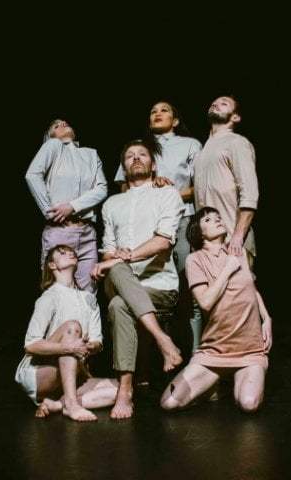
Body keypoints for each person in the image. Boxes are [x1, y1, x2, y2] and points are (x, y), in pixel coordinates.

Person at [91, 139, 185, 419]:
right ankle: (163, 340)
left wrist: (124, 257)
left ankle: (125, 390)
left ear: (153, 164)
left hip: (159, 284)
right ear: (123, 167)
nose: (135, 158)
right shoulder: (111, 204)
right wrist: (115, 260)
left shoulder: (168, 194)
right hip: (118, 279)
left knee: (119, 305)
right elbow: (108, 248)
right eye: (129, 156)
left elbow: (164, 241)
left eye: (142, 154)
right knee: (117, 269)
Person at [160, 207, 273, 413]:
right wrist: (228, 269)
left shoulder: (239, 253)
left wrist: (267, 318)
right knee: (169, 403)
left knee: (248, 404)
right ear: (199, 232)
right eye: (209, 220)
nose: (217, 220)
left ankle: (236, 379)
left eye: (218, 217)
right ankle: (214, 382)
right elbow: (205, 302)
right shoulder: (195, 260)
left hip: (250, 350)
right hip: (215, 351)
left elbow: (252, 289)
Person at [114, 101, 205, 352]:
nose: (157, 113)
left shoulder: (190, 144)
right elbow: (123, 185)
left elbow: (201, 186)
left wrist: (167, 193)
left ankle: (196, 352)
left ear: (175, 120)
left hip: (182, 220)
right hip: (145, 225)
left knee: (189, 285)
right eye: (153, 111)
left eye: (164, 110)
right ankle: (154, 352)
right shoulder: (139, 147)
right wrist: (148, 190)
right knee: (145, 283)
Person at [15, 244, 118, 421]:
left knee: (121, 390)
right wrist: (69, 347)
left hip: (73, 373)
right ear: (52, 265)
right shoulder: (49, 297)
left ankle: (57, 404)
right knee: (72, 327)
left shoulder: (88, 299)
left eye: (72, 252)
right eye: (62, 253)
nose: (70, 253)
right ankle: (71, 405)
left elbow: (97, 342)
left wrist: (88, 346)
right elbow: (31, 345)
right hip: (40, 373)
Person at [25, 119, 107, 293]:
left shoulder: (91, 154)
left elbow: (102, 188)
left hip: (87, 232)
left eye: (64, 122)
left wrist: (72, 206)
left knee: (88, 292)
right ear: (50, 136)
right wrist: (49, 210)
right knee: (57, 290)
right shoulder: (53, 145)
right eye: (56, 126)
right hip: (60, 230)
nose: (62, 123)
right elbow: (32, 175)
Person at [193, 96, 259, 264]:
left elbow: (249, 192)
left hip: (232, 241)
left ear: (235, 117)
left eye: (224, 103)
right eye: (214, 103)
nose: (216, 104)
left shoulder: (237, 142)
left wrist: (238, 236)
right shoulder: (202, 152)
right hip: (207, 245)